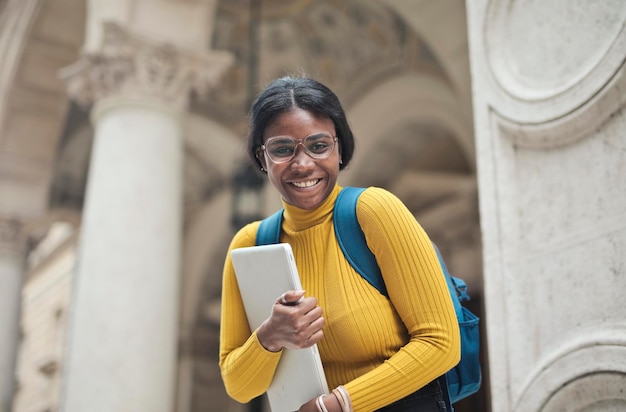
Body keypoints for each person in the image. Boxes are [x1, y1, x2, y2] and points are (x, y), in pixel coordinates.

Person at [219, 76, 460, 411]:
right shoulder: (250, 245)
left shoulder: (374, 211)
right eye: (282, 149)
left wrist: (335, 406)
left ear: (340, 148)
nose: (302, 164)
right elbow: (239, 386)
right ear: (262, 159)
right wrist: (271, 336)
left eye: (319, 146)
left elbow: (441, 343)